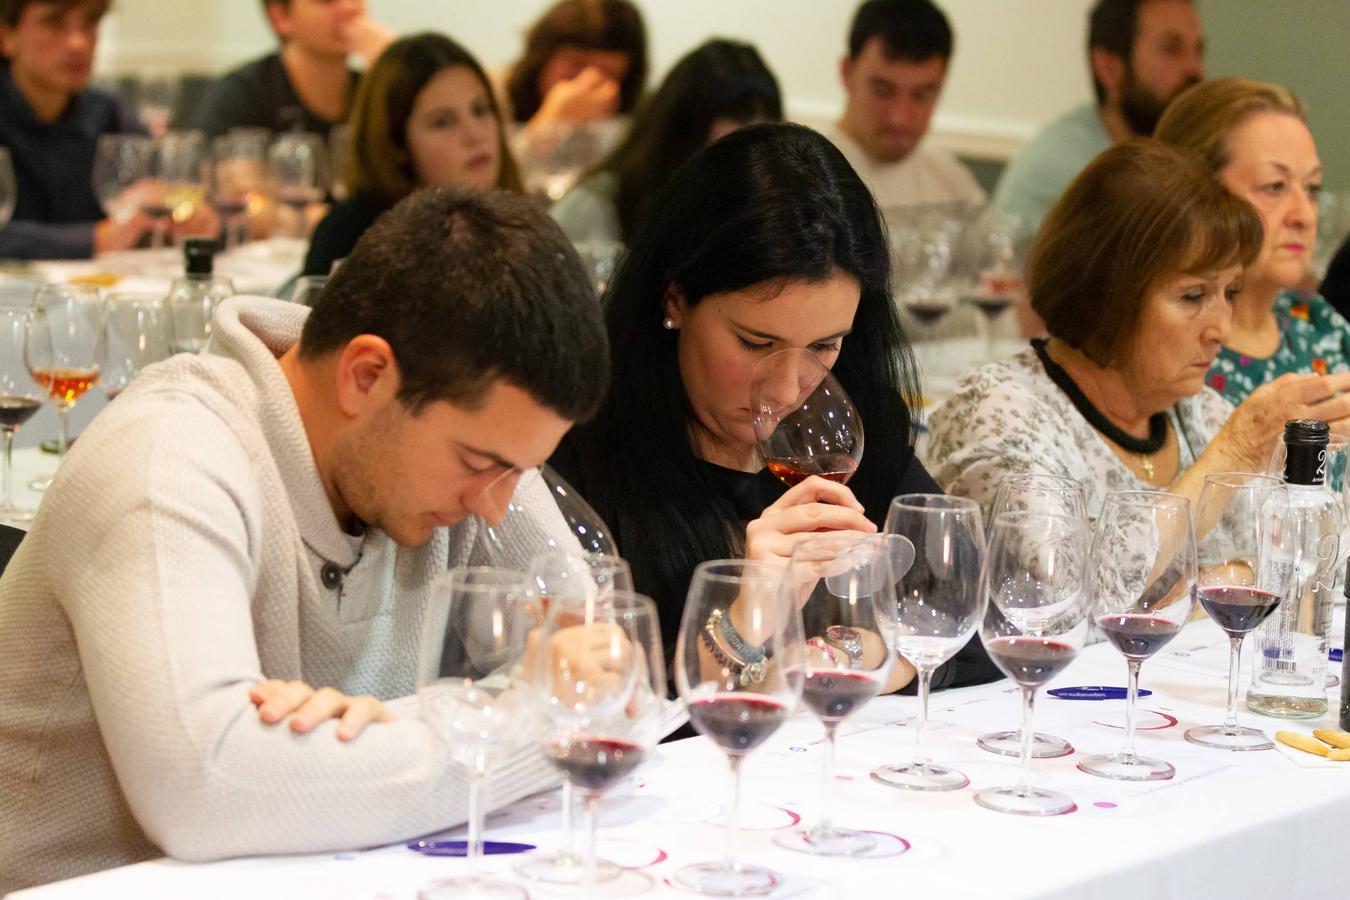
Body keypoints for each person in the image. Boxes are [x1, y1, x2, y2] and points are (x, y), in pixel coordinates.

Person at [0, 187, 610, 893]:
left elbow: (604, 661)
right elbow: (206, 788)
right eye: (481, 464)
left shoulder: (470, 428)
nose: (498, 508)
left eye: (523, 470)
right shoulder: (167, 455)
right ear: (366, 375)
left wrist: (390, 728)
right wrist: (499, 722)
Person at [552, 122, 999, 693]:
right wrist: (746, 623)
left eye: (824, 347)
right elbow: (579, 700)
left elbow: (978, 619)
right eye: (756, 344)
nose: (789, 390)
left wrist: (860, 653)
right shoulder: (580, 448)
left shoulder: (845, 430)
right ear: (675, 301)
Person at [927, 139, 1350, 520]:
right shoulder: (999, 413)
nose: (1221, 328)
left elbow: (1274, 570)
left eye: (1230, 292)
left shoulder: (1202, 415)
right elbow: (1055, 589)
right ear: (1106, 293)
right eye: (1193, 296)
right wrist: (1235, 452)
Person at [1154, 78, 1350, 406]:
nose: (1304, 215)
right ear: (1195, 194)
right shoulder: (1180, 357)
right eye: (1274, 186)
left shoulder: (1317, 321)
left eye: (1312, 189)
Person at [302, 33, 522, 276]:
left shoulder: (520, 225)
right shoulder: (351, 236)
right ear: (396, 145)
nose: (475, 135)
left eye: (480, 110)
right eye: (443, 122)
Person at [992, 0, 1204, 234]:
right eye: (1171, 49)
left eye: (1198, 51)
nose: (1194, 69)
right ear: (1109, 68)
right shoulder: (1070, 166)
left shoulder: (1161, 153)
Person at [551, 37, 781, 245]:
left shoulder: (762, 217)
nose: (732, 184)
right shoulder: (596, 207)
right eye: (717, 163)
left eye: (751, 163)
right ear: (677, 144)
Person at [0, 0, 151, 259]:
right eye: (53, 24)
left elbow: (166, 195)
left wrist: (192, 217)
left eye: (90, 24)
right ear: (7, 37)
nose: (78, 43)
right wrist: (94, 239)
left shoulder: (109, 112)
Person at [826, 0, 984, 213]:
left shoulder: (950, 178)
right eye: (883, 91)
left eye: (921, 95)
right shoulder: (807, 176)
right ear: (847, 72)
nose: (899, 117)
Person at [195, 0, 392, 139]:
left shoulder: (377, 91)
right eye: (326, 0)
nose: (350, 8)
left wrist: (391, 62)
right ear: (279, 18)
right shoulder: (243, 93)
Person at [503, 0, 646, 136]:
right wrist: (550, 124)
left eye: (608, 72)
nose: (589, 81)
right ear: (541, 58)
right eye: (577, 64)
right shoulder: (493, 93)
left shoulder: (639, 114)